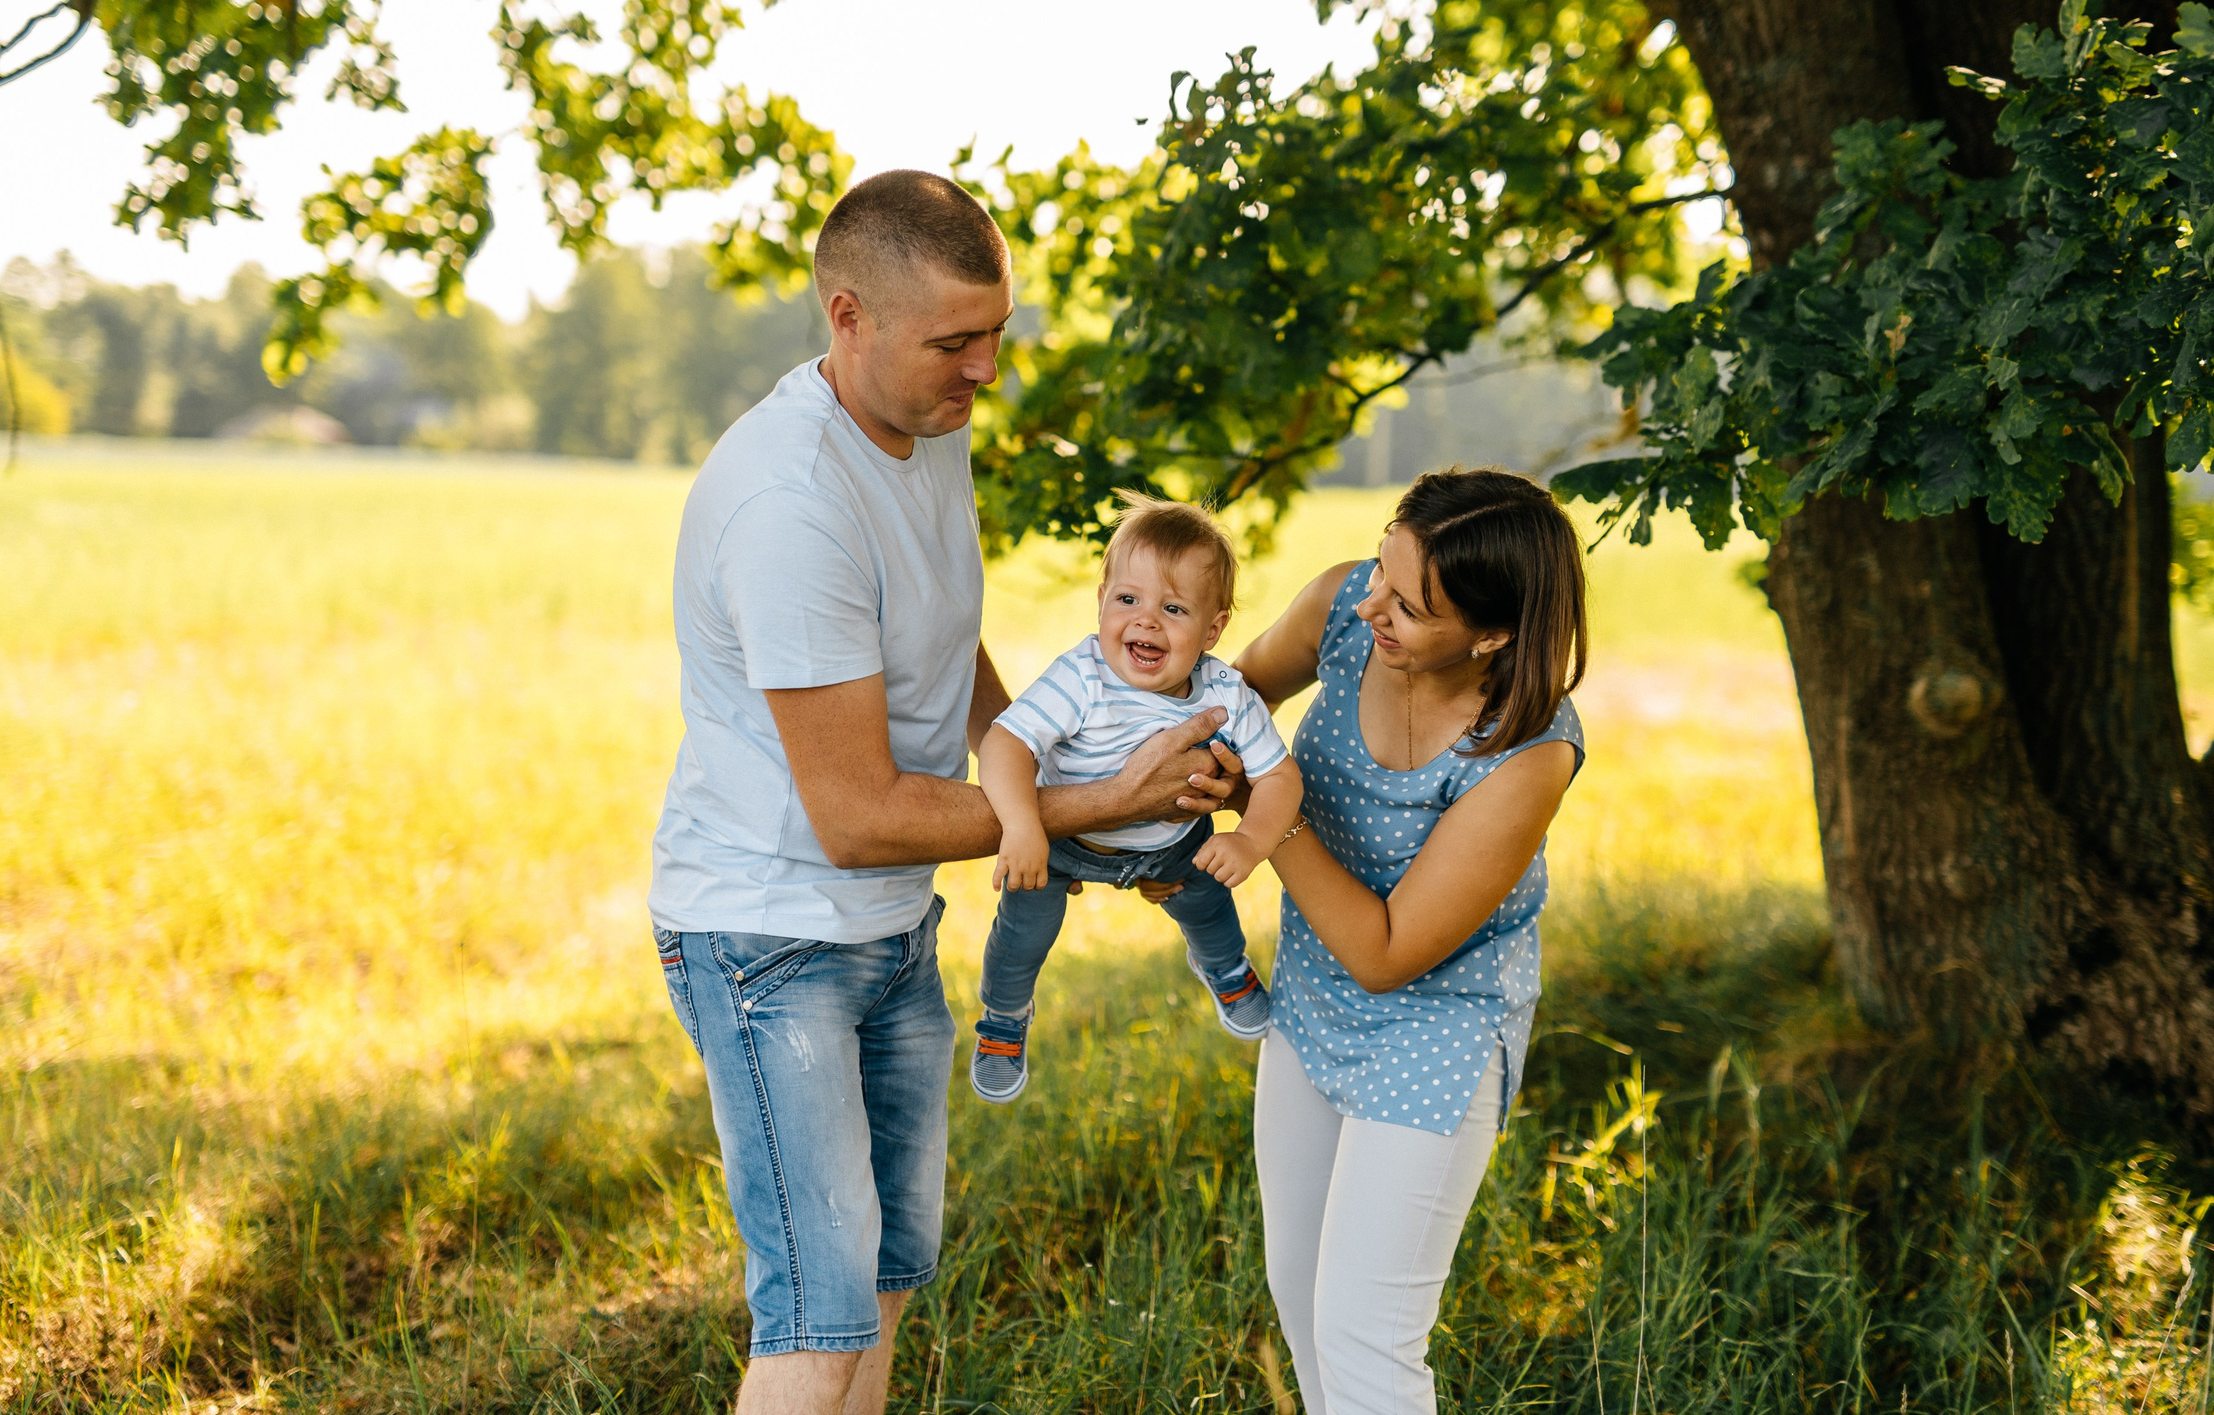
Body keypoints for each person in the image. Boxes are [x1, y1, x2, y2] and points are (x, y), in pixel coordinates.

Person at [647, 170, 1238, 1415]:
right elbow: (855, 816)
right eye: (953, 342)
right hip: (770, 935)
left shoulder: (923, 427)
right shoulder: (790, 503)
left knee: (889, 1278)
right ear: (847, 313)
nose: (982, 372)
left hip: (889, 930)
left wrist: (1092, 771)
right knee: (815, 1314)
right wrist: (1081, 808)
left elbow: (941, 638)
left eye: (995, 337)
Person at [1226, 468, 1590, 1415]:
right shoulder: (1348, 605)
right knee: (1301, 1300)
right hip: (1311, 998)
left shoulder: (1529, 748)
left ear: (1494, 632)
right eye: (1382, 571)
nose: (1373, 607)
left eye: (1412, 606)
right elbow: (1222, 703)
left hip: (1437, 1024)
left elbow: (1389, 952)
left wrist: (1268, 815)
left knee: (1367, 1334)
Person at [970, 492, 1306, 1103]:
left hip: (1171, 842)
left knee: (1208, 897)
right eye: (1128, 600)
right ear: (1101, 601)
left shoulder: (1225, 694)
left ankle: (1224, 967)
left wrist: (1251, 841)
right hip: (1065, 841)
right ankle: (1002, 1018)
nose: (1146, 621)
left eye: (1173, 608)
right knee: (1022, 931)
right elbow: (1004, 743)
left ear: (1214, 628)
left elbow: (1281, 777)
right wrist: (1022, 827)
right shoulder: (1082, 677)